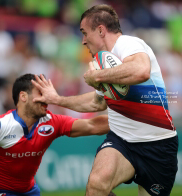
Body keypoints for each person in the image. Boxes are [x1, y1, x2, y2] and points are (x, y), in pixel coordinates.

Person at [31, 4, 178, 196]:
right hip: (122, 142)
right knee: (96, 186)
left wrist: (98, 77)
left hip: (158, 145)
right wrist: (57, 99)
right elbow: (96, 102)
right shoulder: (105, 62)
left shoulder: (128, 44)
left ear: (100, 30)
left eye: (85, 32)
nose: (83, 41)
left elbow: (141, 71)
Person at [0, 73, 111, 196]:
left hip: (28, 192)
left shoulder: (52, 122)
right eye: (41, 93)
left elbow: (93, 126)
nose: (47, 99)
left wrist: (128, 119)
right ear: (23, 96)